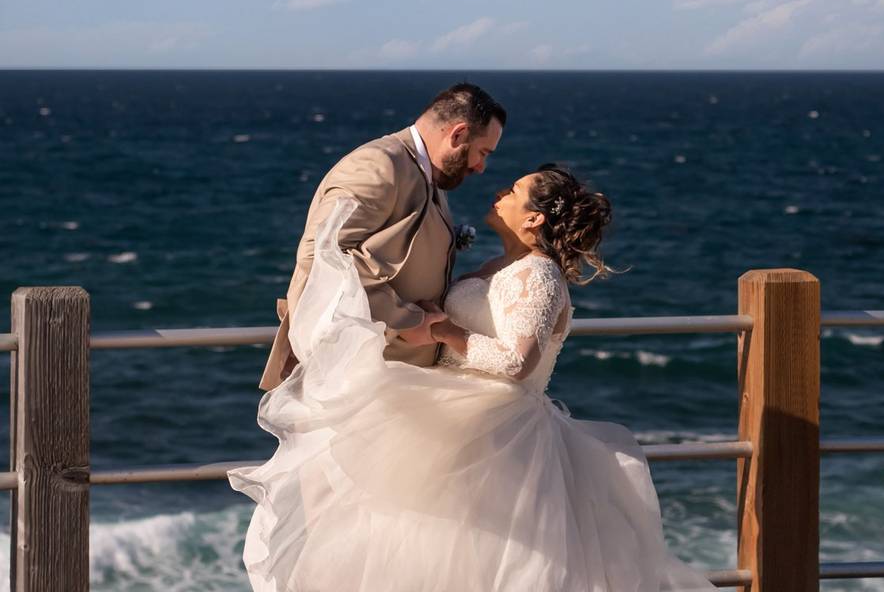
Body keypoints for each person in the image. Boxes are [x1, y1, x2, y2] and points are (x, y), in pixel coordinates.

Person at [228, 164, 718, 591]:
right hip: (451, 414)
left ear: (534, 218)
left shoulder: (539, 276)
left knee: (478, 553)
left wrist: (447, 330)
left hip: (499, 432)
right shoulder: (498, 265)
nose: (500, 192)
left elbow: (517, 362)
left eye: (514, 190)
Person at [258, 82, 506, 391]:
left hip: (396, 373)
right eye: (482, 152)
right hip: (362, 374)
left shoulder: (429, 173)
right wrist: (407, 321)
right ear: (457, 135)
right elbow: (323, 257)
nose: (481, 167)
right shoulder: (380, 164)